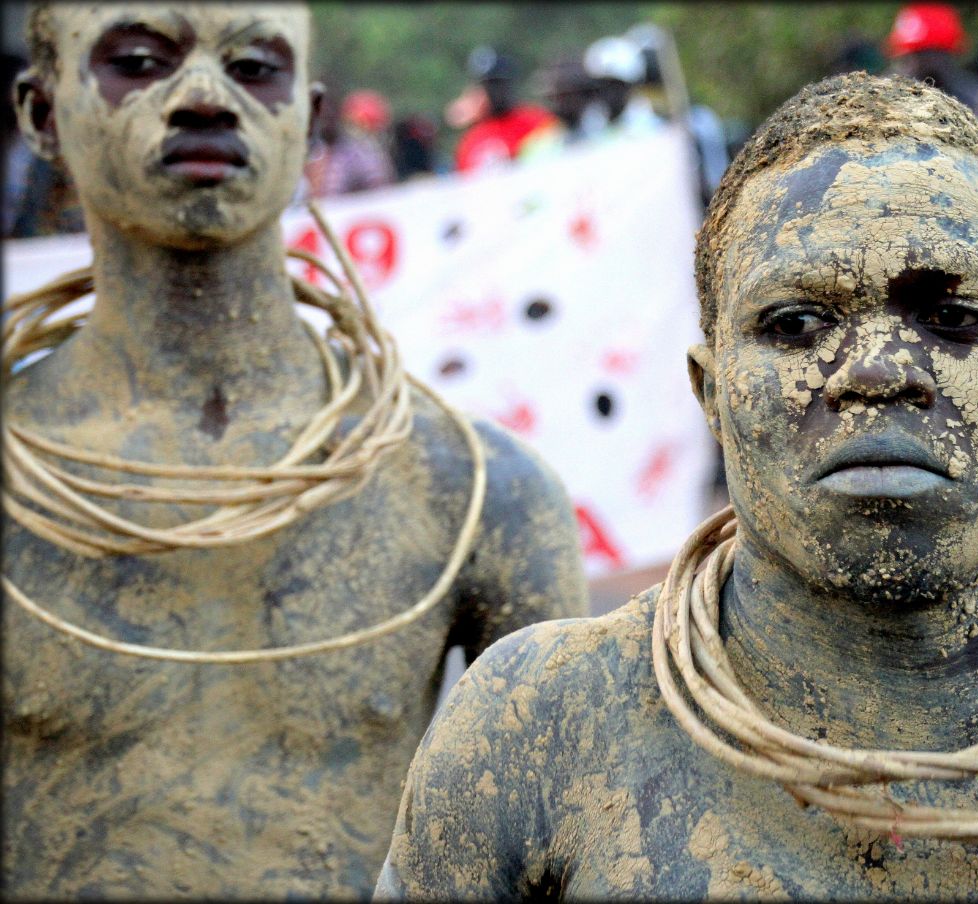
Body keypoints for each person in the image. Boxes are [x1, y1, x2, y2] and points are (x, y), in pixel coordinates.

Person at [374, 73, 978, 899]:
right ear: (711, 392)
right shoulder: (539, 728)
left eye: (954, 318)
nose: (874, 370)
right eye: (795, 323)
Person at [3, 3, 587, 898]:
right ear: (42, 114)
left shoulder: (472, 490)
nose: (204, 97)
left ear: (312, 121)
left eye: (254, 67)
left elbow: (560, 854)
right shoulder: (19, 475)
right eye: (137, 60)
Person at [451, 47, 560, 173]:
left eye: (497, 83)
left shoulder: (539, 122)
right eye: (487, 85)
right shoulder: (470, 142)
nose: (493, 91)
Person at [883, 3, 978, 111]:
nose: (930, 61)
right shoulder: (882, 92)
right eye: (921, 53)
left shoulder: (976, 98)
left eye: (937, 54)